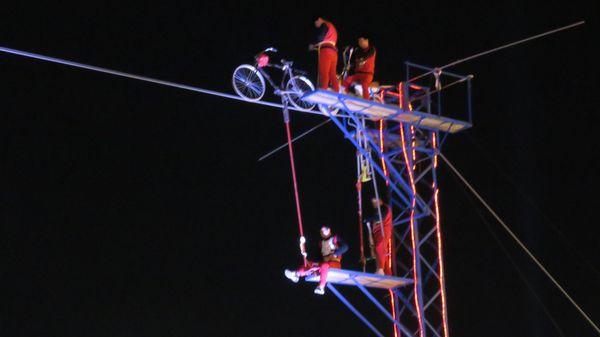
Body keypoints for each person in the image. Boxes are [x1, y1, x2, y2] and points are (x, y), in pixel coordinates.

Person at [284, 226, 348, 295]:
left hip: (335, 263)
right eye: (322, 231)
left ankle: (321, 287)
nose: (323, 232)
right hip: (326, 263)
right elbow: (318, 256)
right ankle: (296, 274)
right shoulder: (321, 243)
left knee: (324, 265)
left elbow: (345, 247)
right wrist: (303, 244)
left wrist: (336, 253)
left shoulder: (335, 238)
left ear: (329, 230)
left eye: (325, 230)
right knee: (311, 264)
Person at [308, 17, 340, 93]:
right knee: (332, 74)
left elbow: (320, 38)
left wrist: (313, 45)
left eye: (316, 23)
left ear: (319, 19)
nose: (316, 26)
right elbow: (327, 39)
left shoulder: (325, 25)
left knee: (324, 73)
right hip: (334, 52)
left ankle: (323, 91)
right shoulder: (332, 28)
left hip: (326, 51)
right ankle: (336, 91)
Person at [367, 197, 392, 275]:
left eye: (375, 202)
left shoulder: (384, 208)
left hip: (383, 231)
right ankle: (387, 272)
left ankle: (380, 269)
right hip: (377, 232)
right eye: (373, 203)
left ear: (380, 201)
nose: (374, 204)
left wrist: (370, 219)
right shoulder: (378, 210)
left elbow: (380, 218)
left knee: (379, 247)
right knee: (382, 251)